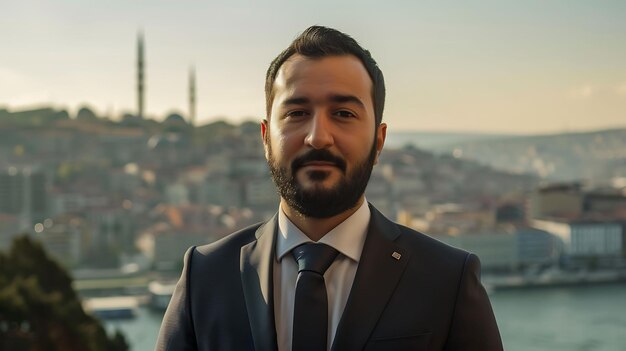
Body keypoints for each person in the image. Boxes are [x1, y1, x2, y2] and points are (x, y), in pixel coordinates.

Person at [156, 25, 503, 351]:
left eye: (343, 114)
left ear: (378, 141)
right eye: (296, 113)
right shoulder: (205, 275)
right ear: (265, 138)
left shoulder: (447, 280)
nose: (318, 137)